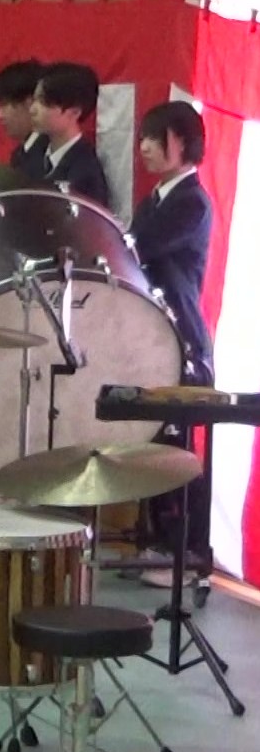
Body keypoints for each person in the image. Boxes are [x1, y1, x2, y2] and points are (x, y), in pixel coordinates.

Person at [130, 100, 216, 587]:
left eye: (154, 137)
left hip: (182, 336)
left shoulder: (191, 202)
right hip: (153, 332)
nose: (143, 146)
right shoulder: (155, 200)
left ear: (182, 142)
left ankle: (189, 554)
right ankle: (160, 543)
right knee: (155, 440)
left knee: (177, 446)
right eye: (143, 136)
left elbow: (141, 249)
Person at [31, 62, 112, 208]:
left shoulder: (85, 173)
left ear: (74, 112)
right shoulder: (32, 155)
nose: (33, 110)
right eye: (34, 100)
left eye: (44, 102)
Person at [0, 59, 50, 182]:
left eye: (4, 105)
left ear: (29, 103)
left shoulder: (49, 154)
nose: (0, 115)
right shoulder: (20, 154)